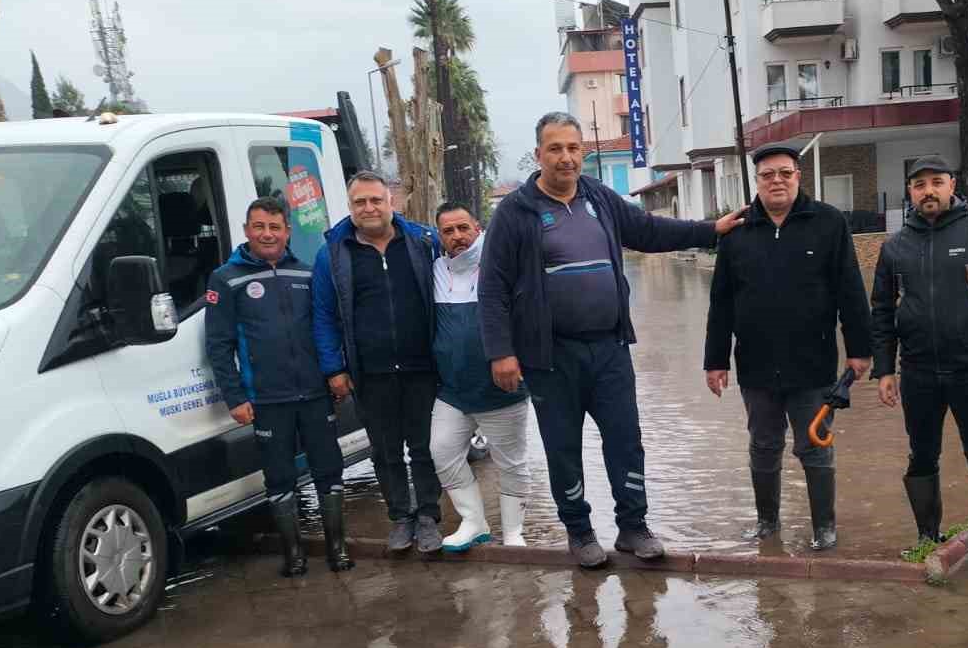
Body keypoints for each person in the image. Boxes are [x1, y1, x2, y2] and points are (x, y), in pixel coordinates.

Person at [479, 112, 746, 569]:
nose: (566, 158)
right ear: (539, 154)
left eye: (573, 148)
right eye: (555, 148)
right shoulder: (515, 212)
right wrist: (501, 352)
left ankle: (633, 527)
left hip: (609, 348)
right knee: (562, 445)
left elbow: (647, 230)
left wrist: (709, 231)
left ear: (583, 152)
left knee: (625, 439)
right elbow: (492, 287)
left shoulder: (598, 198)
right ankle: (580, 532)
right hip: (550, 356)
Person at [704, 142, 872, 551]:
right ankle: (767, 524)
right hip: (756, 365)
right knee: (763, 445)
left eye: (785, 173)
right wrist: (715, 360)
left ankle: (824, 528)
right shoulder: (738, 230)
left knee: (815, 445)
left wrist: (860, 348)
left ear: (798, 176)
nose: (776, 181)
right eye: (767, 175)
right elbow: (721, 299)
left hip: (812, 364)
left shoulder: (829, 223)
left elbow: (850, 290)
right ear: (757, 181)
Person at [870, 155, 968, 567]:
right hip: (918, 371)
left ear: (951, 185)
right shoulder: (895, 248)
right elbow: (882, 312)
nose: (928, 191)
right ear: (910, 192)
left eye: (936, 182)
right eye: (919, 185)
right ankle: (927, 534)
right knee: (921, 456)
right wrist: (885, 369)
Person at [204, 197, 353, 576]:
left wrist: (336, 373)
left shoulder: (305, 273)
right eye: (259, 227)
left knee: (329, 469)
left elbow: (328, 328)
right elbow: (218, 346)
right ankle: (294, 555)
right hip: (267, 400)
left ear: (287, 231)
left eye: (274, 227)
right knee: (279, 477)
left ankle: (337, 548)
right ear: (246, 231)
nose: (267, 234)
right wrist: (235, 397)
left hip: (315, 394)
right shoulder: (225, 278)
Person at [311, 171, 445, 558]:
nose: (368, 208)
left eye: (375, 200)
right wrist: (334, 368)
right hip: (370, 372)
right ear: (350, 207)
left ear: (392, 202)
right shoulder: (333, 255)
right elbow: (323, 315)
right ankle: (401, 516)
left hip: (423, 368)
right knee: (385, 450)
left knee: (425, 447)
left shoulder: (422, 243)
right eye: (359, 202)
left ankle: (428, 517)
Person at [429, 202, 531, 550]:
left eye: (463, 228)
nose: (457, 237)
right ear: (439, 236)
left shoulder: (502, 264)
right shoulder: (436, 271)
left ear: (477, 228)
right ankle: (473, 522)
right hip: (453, 391)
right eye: (448, 231)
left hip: (502, 389)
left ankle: (515, 532)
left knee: (511, 462)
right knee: (442, 452)